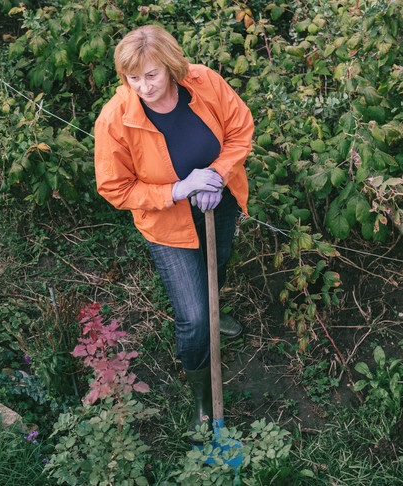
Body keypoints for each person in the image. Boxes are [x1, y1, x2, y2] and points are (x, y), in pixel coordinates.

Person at [93, 24, 254, 442]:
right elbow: (115, 187)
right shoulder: (116, 119)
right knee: (194, 316)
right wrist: (178, 190)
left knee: (216, 267)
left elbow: (240, 130)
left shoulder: (204, 83)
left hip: (218, 204)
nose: (143, 87)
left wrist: (217, 175)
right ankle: (203, 404)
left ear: (170, 65)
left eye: (151, 75)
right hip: (166, 225)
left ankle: (217, 319)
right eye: (132, 78)